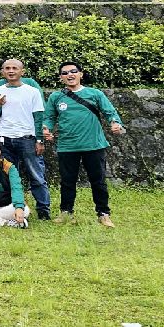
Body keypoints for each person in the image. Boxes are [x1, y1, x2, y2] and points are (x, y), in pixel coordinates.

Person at [43, 61, 125, 227]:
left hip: (94, 145)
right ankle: (66, 213)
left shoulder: (95, 94)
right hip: (67, 145)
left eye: (73, 71)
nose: (70, 75)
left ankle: (103, 214)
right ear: (61, 78)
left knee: (98, 181)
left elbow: (110, 112)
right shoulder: (56, 97)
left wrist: (115, 123)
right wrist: (46, 129)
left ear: (81, 74)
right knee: (67, 181)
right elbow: (49, 117)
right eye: (65, 73)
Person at [0, 58, 51, 220]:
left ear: (22, 72)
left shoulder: (31, 91)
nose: (11, 71)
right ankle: (11, 207)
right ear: (2, 72)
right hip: (4, 139)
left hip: (27, 138)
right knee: (7, 175)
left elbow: (38, 117)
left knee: (36, 175)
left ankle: (43, 210)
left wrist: (39, 140)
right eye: (7, 68)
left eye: (15, 68)